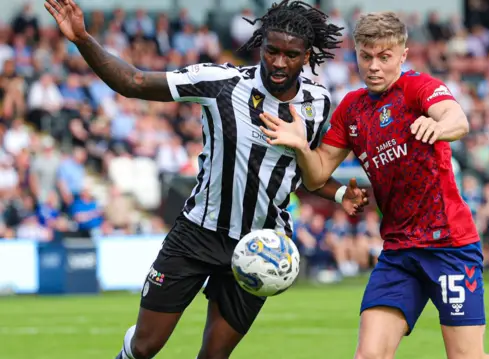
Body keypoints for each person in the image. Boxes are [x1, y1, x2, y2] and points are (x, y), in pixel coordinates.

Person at [45, 1, 369, 358]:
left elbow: (308, 173)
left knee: (214, 356)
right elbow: (133, 82)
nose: (279, 62)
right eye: (271, 50)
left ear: (307, 55)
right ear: (260, 44)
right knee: (145, 345)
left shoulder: (318, 103)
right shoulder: (220, 83)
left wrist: (339, 193)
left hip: (260, 245)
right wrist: (82, 38)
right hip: (198, 233)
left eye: (290, 55)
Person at [260, 11, 489, 359]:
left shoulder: (417, 88)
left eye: (384, 57)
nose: (374, 66)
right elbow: (317, 174)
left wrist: (440, 128)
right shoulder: (352, 109)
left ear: (402, 55)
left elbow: (457, 118)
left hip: (450, 246)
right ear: (356, 54)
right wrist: (301, 147)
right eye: (366, 56)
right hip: (398, 252)